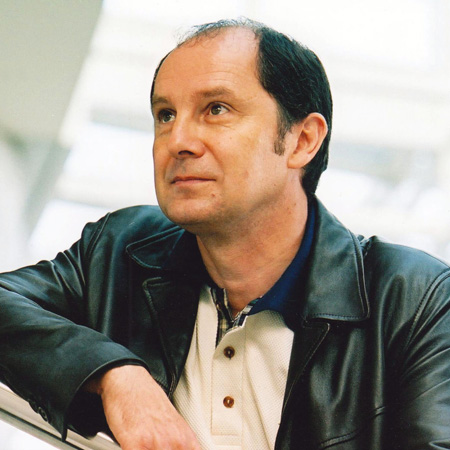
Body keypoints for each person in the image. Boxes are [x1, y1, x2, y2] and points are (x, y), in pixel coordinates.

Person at [1, 18, 450, 450]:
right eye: (165, 115)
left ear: (302, 141)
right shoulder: (120, 251)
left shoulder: (414, 300)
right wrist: (116, 374)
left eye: (216, 109)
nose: (178, 140)